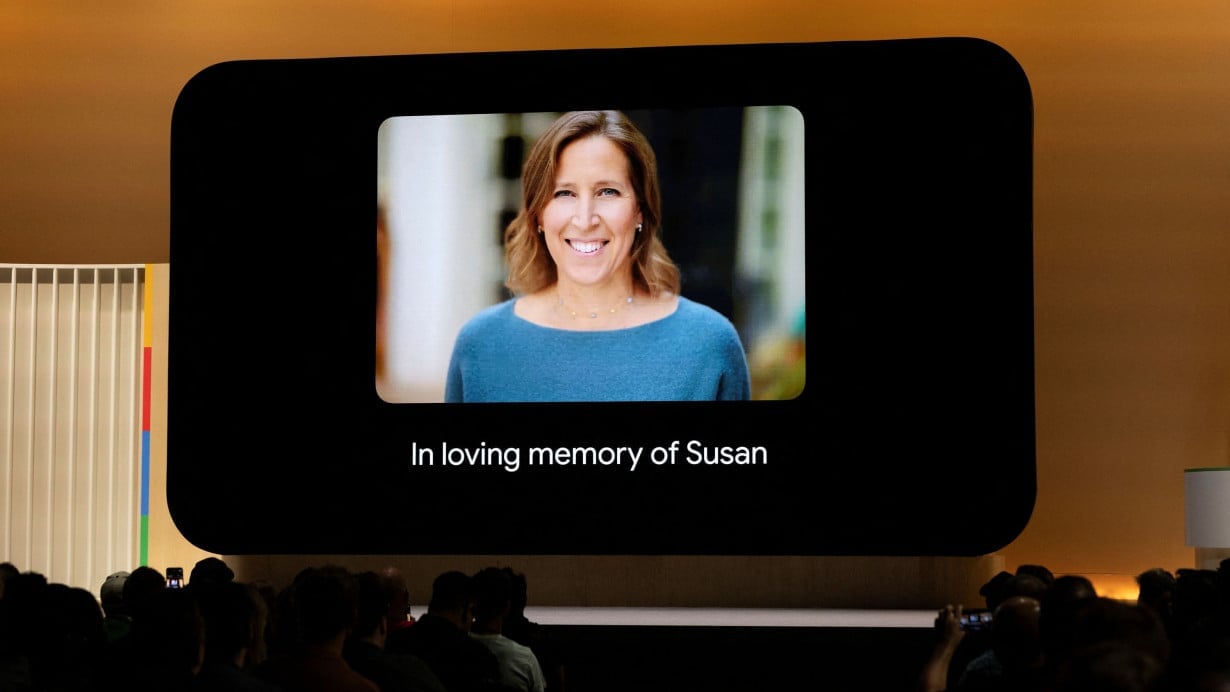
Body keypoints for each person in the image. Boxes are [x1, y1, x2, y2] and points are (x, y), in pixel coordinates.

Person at [444, 110, 751, 403]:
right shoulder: (481, 344)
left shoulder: (708, 344)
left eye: (607, 192)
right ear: (538, 214)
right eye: (564, 193)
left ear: (640, 210)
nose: (585, 219)